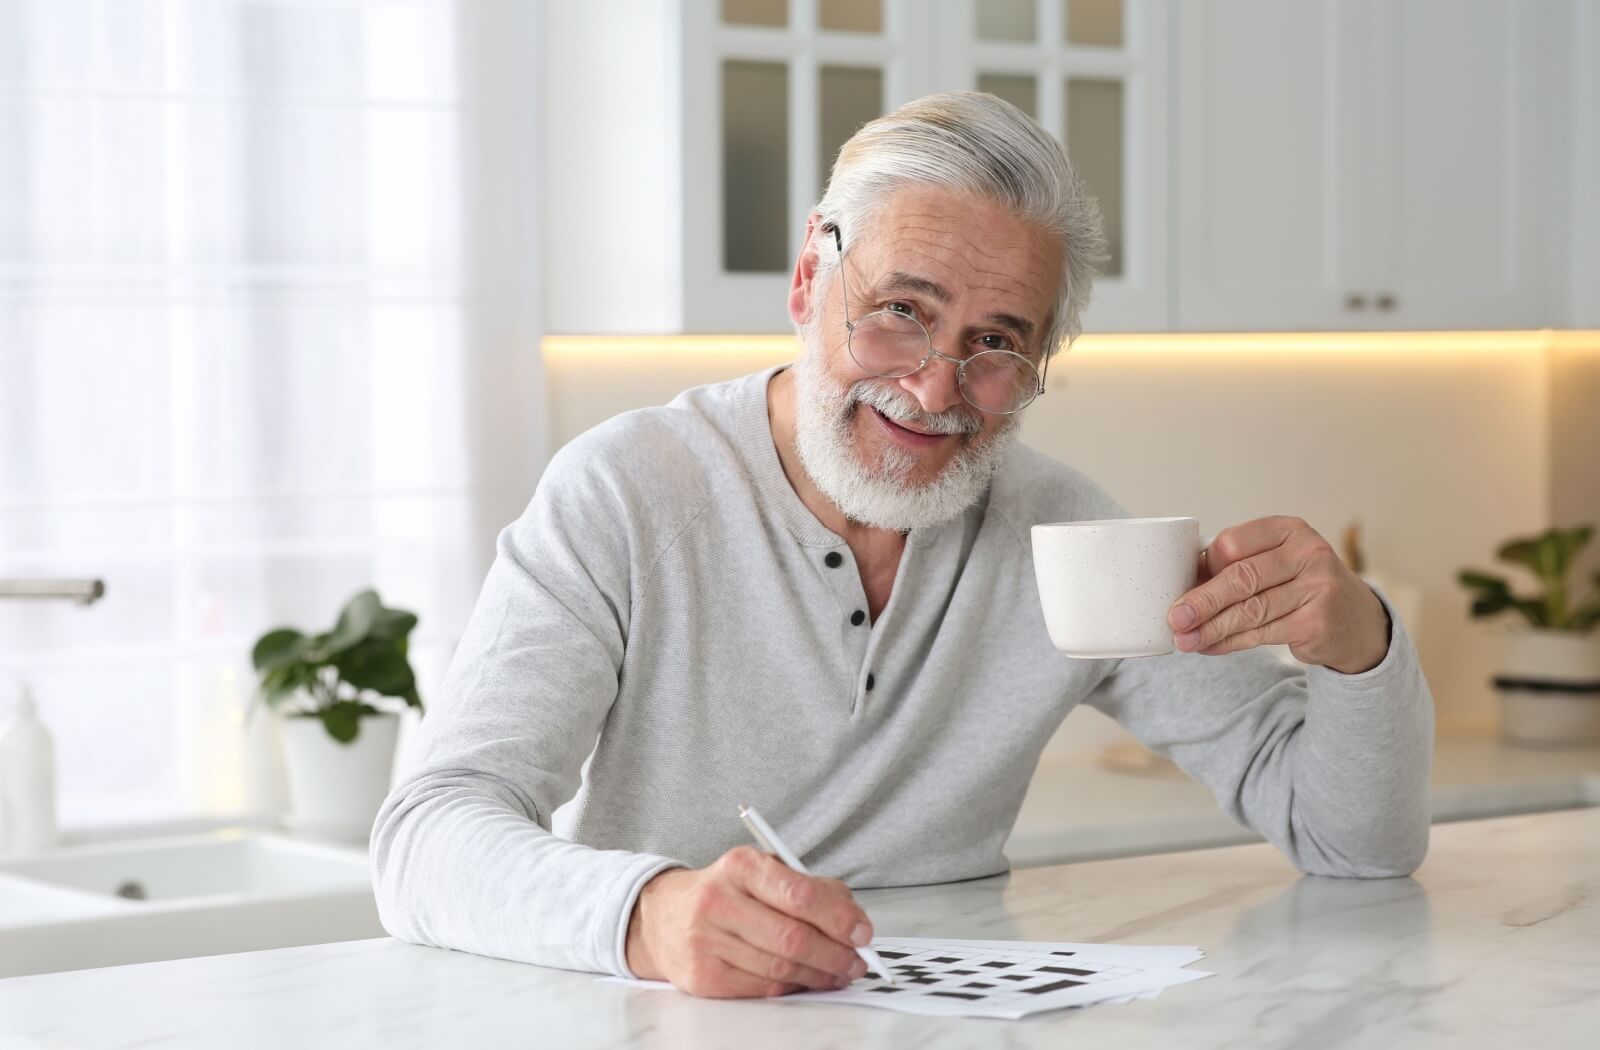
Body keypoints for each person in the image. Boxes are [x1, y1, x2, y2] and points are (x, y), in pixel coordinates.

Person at [371, 92, 1433, 1000]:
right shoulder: (624, 492)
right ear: (806, 281)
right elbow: (425, 838)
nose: (934, 390)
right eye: (899, 312)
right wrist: (648, 913)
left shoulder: (1062, 531)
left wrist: (1357, 646)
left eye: (995, 344)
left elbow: (1354, 843)